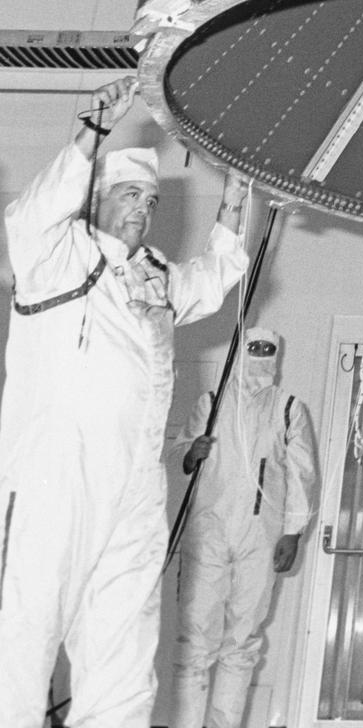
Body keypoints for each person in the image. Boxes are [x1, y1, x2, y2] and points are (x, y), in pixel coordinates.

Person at [0, 77, 250, 728]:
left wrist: (235, 198)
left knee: (124, 650)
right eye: (129, 194)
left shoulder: (156, 276)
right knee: (22, 635)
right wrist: (92, 133)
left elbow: (211, 281)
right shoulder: (58, 257)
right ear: (95, 201)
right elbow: (27, 218)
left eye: (151, 198)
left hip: (136, 488)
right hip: (56, 478)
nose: (143, 207)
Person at [172, 329, 318, 728]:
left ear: (276, 356)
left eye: (267, 350)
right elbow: (177, 455)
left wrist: (293, 531)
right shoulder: (211, 404)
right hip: (208, 530)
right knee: (196, 637)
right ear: (240, 352)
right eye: (254, 348)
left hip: (260, 534)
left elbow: (302, 473)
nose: (260, 356)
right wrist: (191, 454)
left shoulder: (288, 408)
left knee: (242, 639)